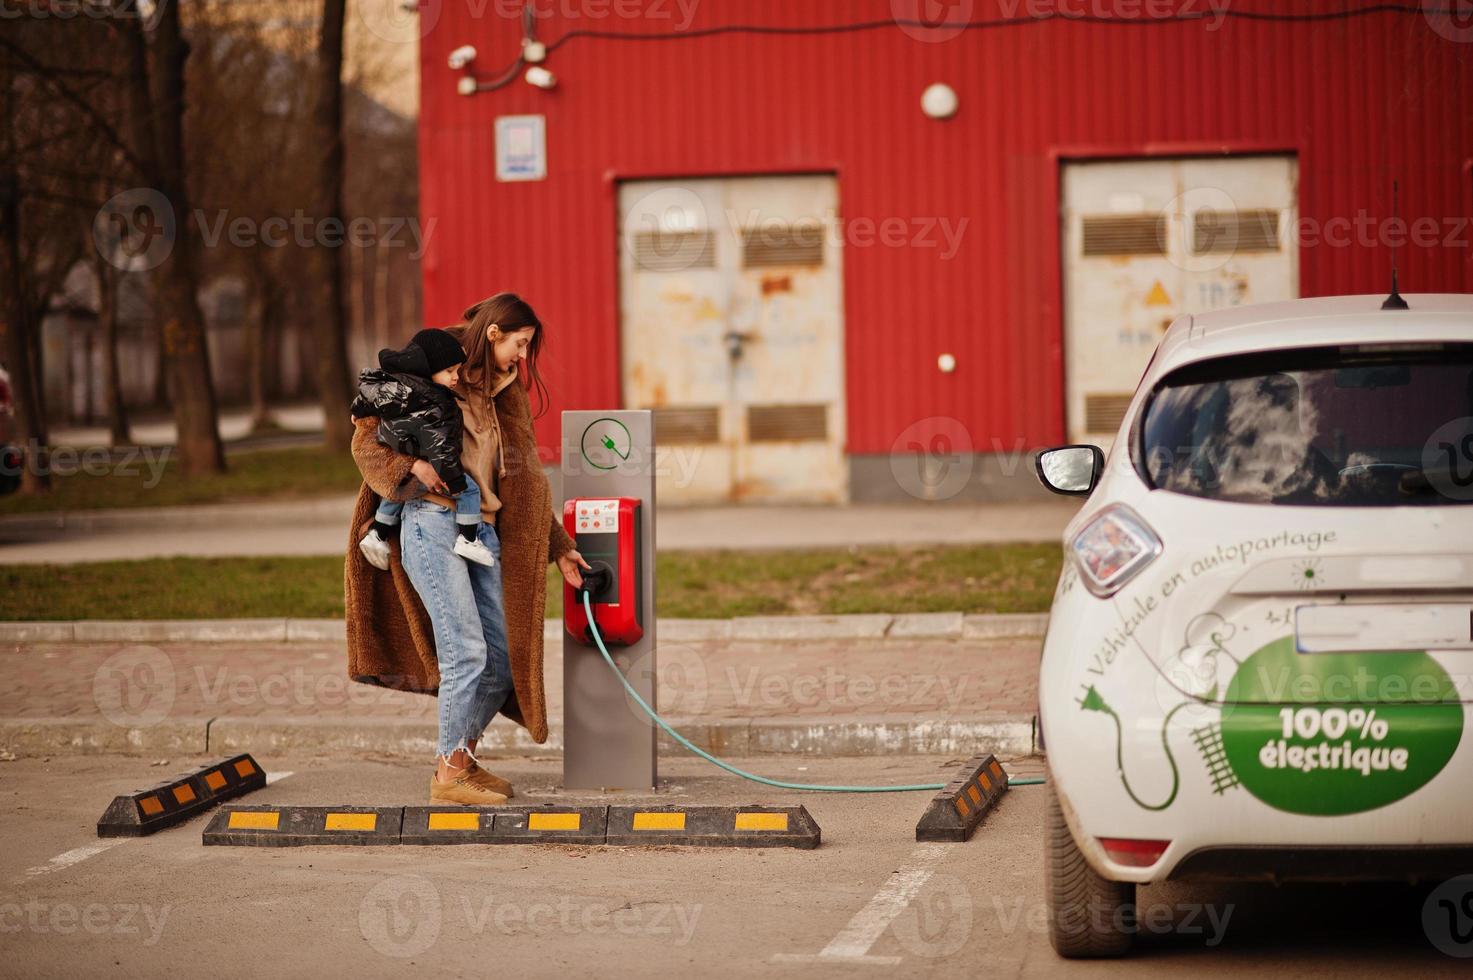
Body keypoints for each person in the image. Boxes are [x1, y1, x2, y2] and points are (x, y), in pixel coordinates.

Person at [344, 293, 591, 806]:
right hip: (430, 522)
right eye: (521, 344)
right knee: (466, 651)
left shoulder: (505, 390)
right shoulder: (429, 362)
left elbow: (525, 482)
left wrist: (560, 545)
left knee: (501, 659)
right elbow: (366, 442)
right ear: (496, 332)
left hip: (482, 530)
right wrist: (409, 468)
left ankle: (460, 761)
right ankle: (451, 772)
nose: (524, 358)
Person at [351, 329, 496, 571]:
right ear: (428, 370)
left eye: (458, 371)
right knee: (470, 491)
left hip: (400, 449)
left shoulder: (394, 385)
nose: (456, 377)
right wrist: (455, 480)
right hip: (426, 458)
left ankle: (378, 532)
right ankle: (469, 538)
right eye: (450, 371)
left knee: (402, 489)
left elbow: (367, 397)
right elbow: (441, 448)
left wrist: (357, 411)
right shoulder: (436, 403)